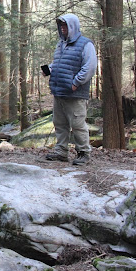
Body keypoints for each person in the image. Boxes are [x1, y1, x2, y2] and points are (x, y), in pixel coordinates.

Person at [43, 14, 97, 165]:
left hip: (75, 93)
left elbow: (90, 67)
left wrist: (76, 83)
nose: (62, 28)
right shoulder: (61, 44)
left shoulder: (86, 44)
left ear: (73, 26)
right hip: (59, 90)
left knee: (78, 124)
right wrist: (49, 69)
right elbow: (58, 63)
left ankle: (84, 153)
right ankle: (61, 151)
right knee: (59, 123)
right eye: (61, 26)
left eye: (65, 25)